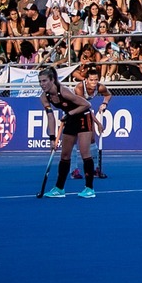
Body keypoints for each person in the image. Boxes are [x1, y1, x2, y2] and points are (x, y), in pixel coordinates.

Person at [39, 65, 97, 198]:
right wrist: (52, 138)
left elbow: (86, 104)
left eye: (44, 81)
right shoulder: (44, 97)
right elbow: (50, 117)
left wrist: (70, 113)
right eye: (40, 81)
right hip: (70, 119)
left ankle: (89, 188)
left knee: (84, 152)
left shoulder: (64, 92)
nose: (42, 84)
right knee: (65, 155)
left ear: (52, 80)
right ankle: (59, 189)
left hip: (83, 117)